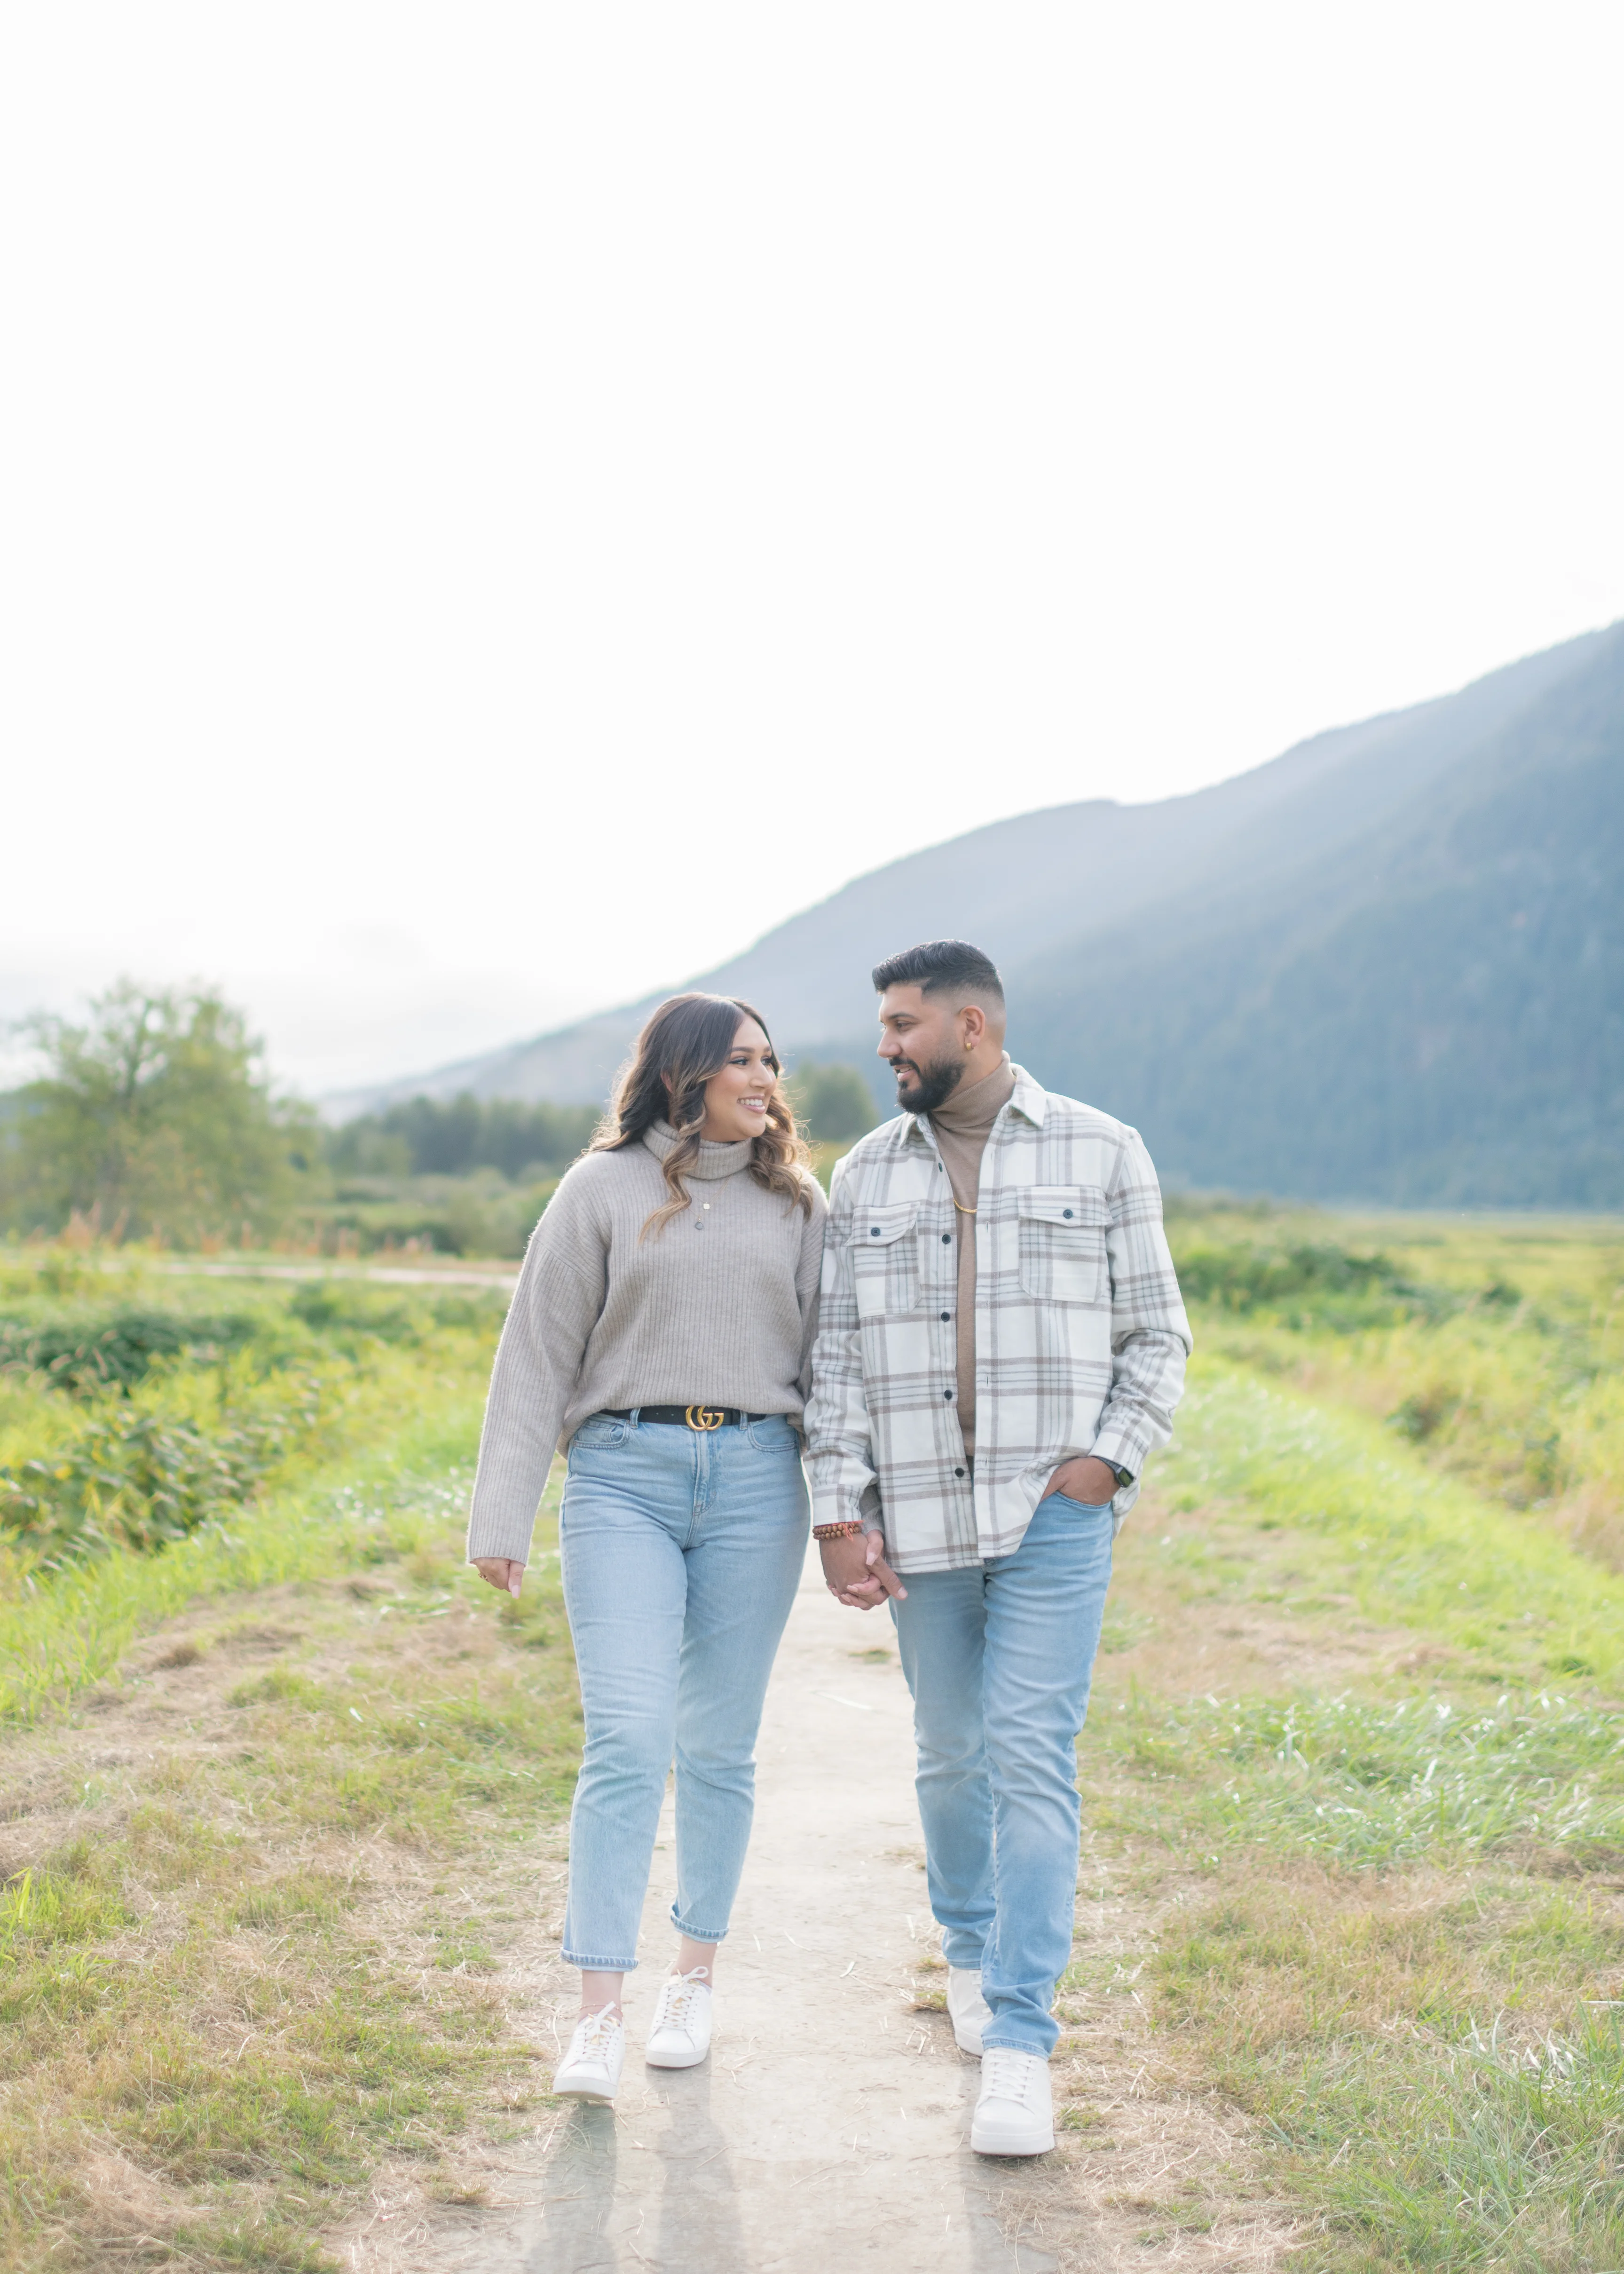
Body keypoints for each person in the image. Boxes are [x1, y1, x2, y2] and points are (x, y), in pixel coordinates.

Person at [804, 940, 1190, 2157]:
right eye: (883, 1024)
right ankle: (967, 1949)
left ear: (969, 1026)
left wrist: (1104, 1463)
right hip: (920, 1514)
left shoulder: (1102, 1149)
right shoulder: (863, 1173)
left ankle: (1021, 2039)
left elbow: (1157, 1334)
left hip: (1051, 1517)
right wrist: (836, 1512)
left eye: (902, 1024)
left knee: (1029, 1752)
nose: (884, 1045)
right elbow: (833, 1362)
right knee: (949, 1751)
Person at [467, 993, 826, 2105]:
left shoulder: (795, 1201)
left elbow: (834, 1372)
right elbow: (536, 1354)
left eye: (769, 1060)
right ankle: (596, 2012)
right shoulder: (600, 1189)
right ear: (681, 1075)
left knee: (718, 1745)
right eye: (740, 1061)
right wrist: (502, 1512)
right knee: (627, 1737)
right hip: (621, 1476)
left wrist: (851, 1514)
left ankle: (692, 1979)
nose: (763, 1079)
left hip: (758, 1479)